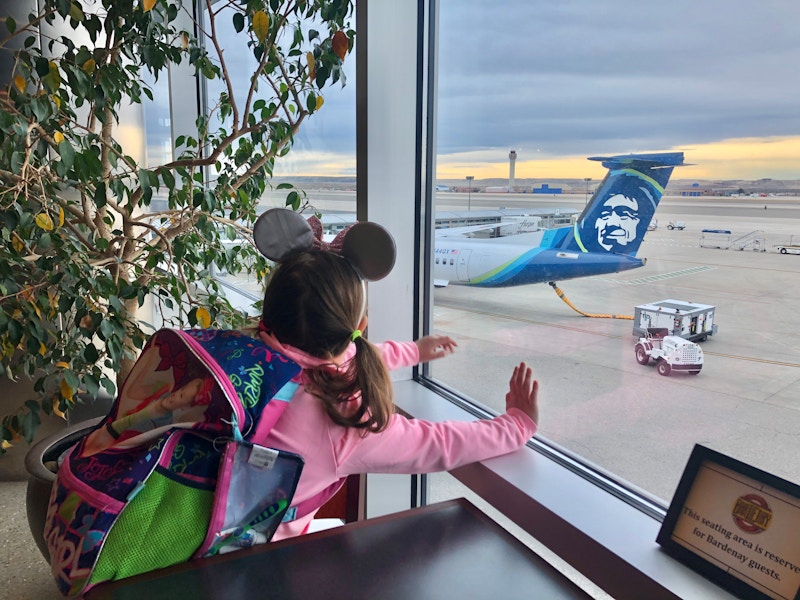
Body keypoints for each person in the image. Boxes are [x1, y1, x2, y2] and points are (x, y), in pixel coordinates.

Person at [253, 249, 539, 541]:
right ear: (360, 327)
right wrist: (516, 426)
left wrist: (413, 351)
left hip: (213, 531)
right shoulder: (341, 420)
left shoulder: (247, 359)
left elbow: (338, 358)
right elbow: (438, 444)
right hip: (249, 561)